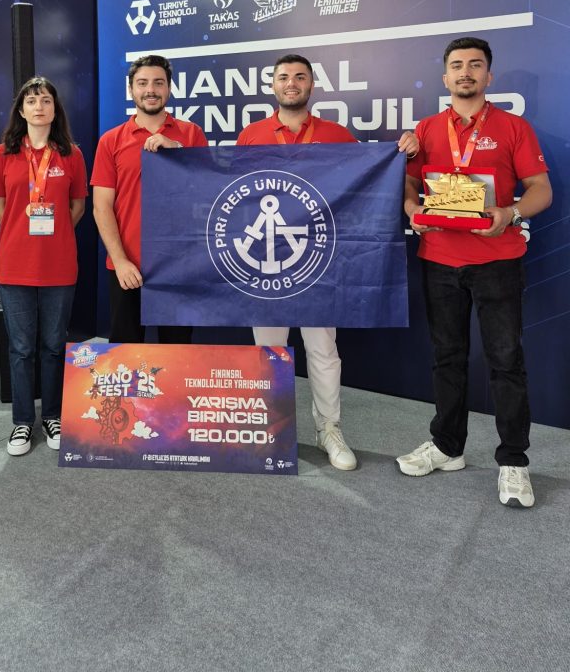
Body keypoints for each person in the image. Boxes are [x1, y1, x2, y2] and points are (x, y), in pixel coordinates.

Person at [237, 53, 418, 470]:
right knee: (268, 349)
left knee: (323, 348)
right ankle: (270, 429)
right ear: (273, 85)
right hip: (266, 261)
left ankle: (328, 428)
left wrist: (402, 154)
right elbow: (235, 192)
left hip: (319, 261)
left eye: (300, 76)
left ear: (311, 85)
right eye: (284, 77)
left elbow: (368, 181)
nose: (292, 83)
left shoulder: (336, 134)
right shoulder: (251, 135)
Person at [398, 36, 552, 508]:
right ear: (445, 77)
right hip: (439, 259)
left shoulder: (513, 127)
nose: (465, 72)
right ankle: (447, 446)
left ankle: (513, 461)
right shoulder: (425, 129)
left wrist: (510, 213)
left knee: (505, 361)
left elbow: (540, 189)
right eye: (457, 65)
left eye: (475, 65)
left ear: (489, 75)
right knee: (447, 357)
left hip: (497, 261)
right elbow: (408, 183)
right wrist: (410, 208)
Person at [0, 77, 87, 456]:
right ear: (21, 110)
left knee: (54, 346)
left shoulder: (71, 154)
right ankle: (23, 422)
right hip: (15, 266)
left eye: (45, 101)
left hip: (59, 265)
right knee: (22, 348)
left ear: (55, 110)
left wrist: (53, 233)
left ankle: (53, 416)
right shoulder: (3, 154)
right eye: (31, 101)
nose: (39, 107)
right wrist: (22, 232)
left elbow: (77, 207)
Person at [91, 54, 208, 343]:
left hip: (179, 265)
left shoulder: (191, 134)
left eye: (158, 82)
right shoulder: (111, 140)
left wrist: (178, 151)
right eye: (142, 83)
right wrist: (120, 260)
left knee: (177, 351)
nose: (151, 90)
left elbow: (207, 192)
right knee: (125, 352)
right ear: (131, 89)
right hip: (128, 265)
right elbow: (101, 207)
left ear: (169, 88)